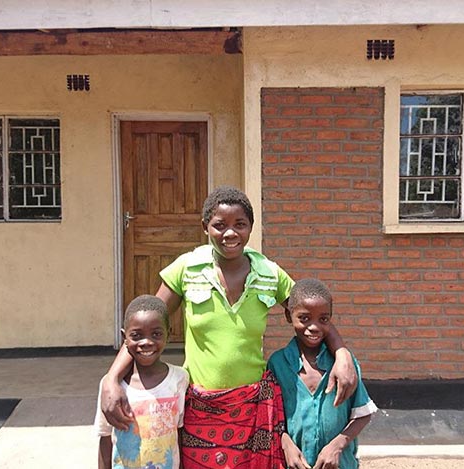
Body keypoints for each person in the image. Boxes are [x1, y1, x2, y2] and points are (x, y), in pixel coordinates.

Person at [101, 186, 358, 468]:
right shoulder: (187, 269)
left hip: (253, 407)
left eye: (240, 225)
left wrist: (342, 354)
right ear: (205, 227)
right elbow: (144, 326)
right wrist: (113, 378)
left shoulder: (269, 273)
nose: (230, 233)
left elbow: (312, 312)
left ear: (251, 227)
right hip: (199, 406)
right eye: (220, 225)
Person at [268, 278, 377, 469]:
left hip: (340, 464)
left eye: (323, 319)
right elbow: (270, 417)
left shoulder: (345, 365)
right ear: (288, 315)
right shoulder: (278, 364)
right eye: (304, 318)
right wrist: (285, 443)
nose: (314, 327)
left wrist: (337, 446)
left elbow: (363, 413)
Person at [94, 294, 189, 469]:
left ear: (168, 334)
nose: (146, 342)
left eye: (156, 334)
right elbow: (105, 438)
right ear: (125, 338)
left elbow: (180, 433)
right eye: (137, 335)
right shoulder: (112, 388)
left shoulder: (180, 379)